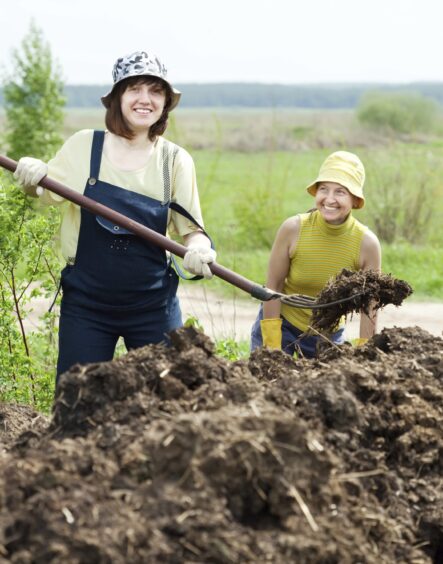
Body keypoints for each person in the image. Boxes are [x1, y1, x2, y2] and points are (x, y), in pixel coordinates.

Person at [14, 50, 216, 381]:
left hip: (152, 306)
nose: (145, 99)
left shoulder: (174, 161)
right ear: (117, 98)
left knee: (171, 400)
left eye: (155, 91)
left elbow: (192, 230)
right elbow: (43, 192)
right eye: (134, 89)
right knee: (78, 401)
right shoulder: (84, 147)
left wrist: (201, 248)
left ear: (165, 102)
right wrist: (33, 173)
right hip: (87, 307)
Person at [250, 150, 381, 358]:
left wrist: (365, 350)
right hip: (281, 324)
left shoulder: (367, 244)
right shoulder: (293, 229)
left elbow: (370, 305)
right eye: (324, 189)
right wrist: (272, 346)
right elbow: (273, 287)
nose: (329, 199)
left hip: (327, 337)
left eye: (340, 192)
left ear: (355, 200)